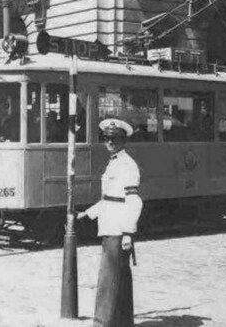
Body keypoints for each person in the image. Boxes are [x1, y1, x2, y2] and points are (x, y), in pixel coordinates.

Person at [78, 118, 142, 327]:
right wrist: (87, 213)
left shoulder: (127, 165)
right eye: (107, 138)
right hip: (110, 224)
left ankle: (102, 323)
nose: (110, 142)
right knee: (120, 277)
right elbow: (109, 199)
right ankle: (122, 322)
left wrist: (127, 232)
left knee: (108, 278)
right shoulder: (114, 162)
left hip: (118, 228)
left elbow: (133, 201)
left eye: (115, 139)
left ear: (123, 141)